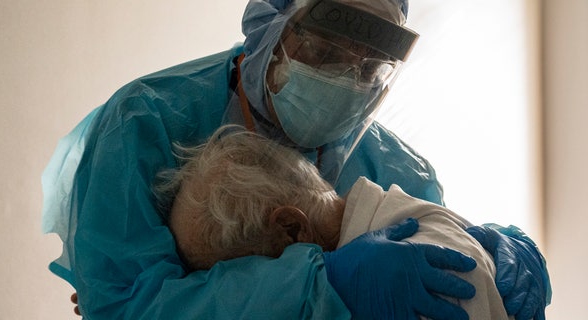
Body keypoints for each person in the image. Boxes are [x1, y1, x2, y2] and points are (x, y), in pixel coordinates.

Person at [42, 0, 551, 319]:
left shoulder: (398, 170)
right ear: (270, 27)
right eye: (326, 51)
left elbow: (442, 271)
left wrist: (499, 252)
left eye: (370, 65)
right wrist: (319, 283)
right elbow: (126, 307)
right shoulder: (145, 124)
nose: (346, 78)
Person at [154, 124, 524, 319]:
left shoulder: (426, 281)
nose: (255, 297)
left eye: (240, 275)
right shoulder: (403, 218)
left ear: (291, 229)